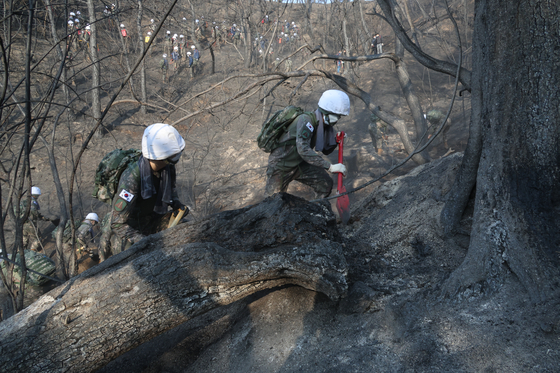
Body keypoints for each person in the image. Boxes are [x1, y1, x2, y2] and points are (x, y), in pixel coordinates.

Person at [101, 123, 187, 257]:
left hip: (151, 219)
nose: (177, 157)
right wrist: (145, 242)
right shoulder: (132, 178)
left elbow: (171, 189)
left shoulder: (167, 167)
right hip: (130, 231)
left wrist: (177, 204)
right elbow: (117, 223)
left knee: (184, 229)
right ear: (160, 156)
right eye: (174, 154)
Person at [264, 90, 350, 199]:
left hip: (300, 164)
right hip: (280, 166)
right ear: (327, 112)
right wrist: (330, 166)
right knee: (272, 202)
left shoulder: (321, 124)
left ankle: (317, 212)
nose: (338, 119)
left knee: (324, 184)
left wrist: (335, 141)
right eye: (337, 116)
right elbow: (303, 149)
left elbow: (325, 149)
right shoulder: (306, 120)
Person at [18, 187, 57, 252]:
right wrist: (43, 218)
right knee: (38, 238)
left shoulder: (23, 202)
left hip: (22, 223)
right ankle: (32, 252)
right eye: (37, 195)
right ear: (35, 195)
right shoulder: (33, 202)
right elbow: (34, 212)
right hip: (30, 224)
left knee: (24, 239)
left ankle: (20, 253)